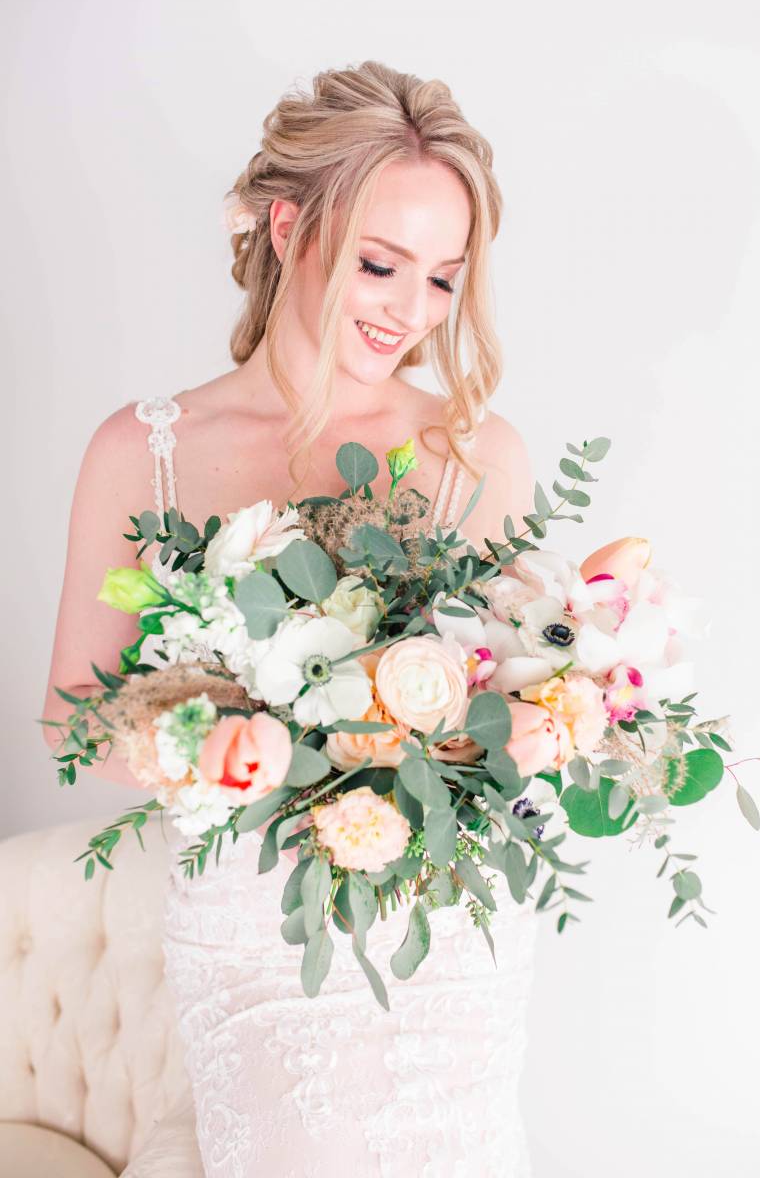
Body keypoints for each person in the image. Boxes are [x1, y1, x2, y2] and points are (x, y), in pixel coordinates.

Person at [43, 60, 539, 1176]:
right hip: (257, 937)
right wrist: (201, 747)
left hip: (444, 938)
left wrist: (544, 718)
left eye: (443, 281)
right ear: (286, 226)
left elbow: (507, 724)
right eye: (379, 264)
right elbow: (69, 716)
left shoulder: (478, 454)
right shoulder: (145, 451)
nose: (409, 314)